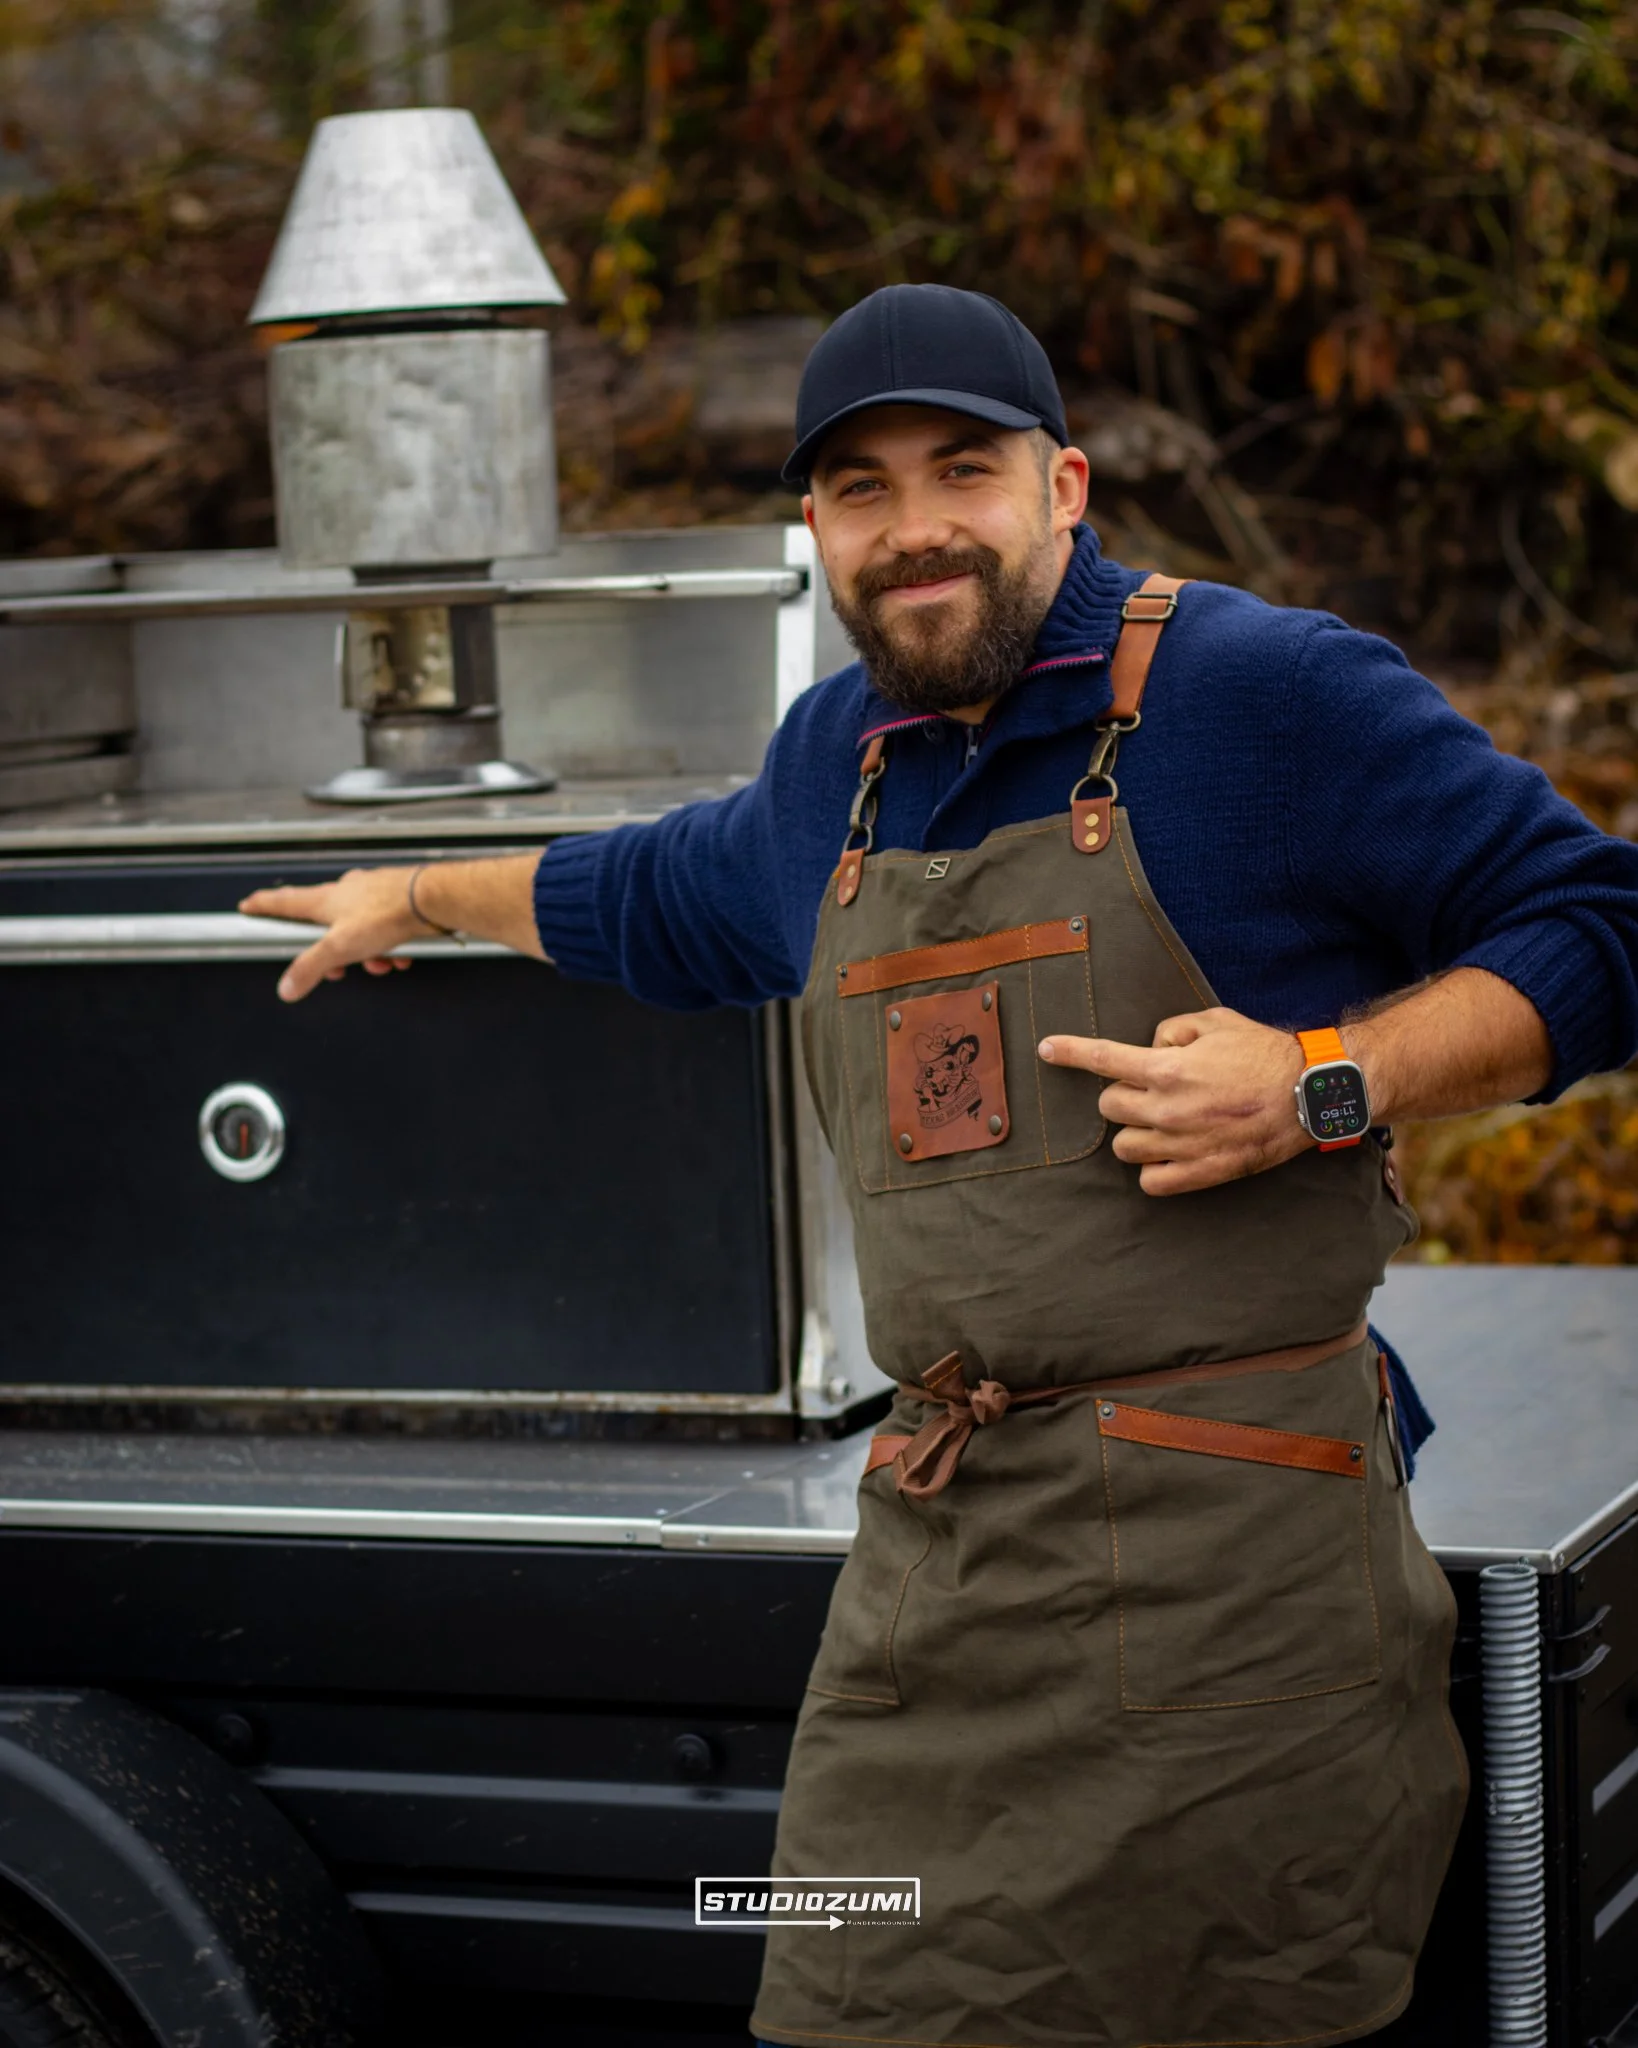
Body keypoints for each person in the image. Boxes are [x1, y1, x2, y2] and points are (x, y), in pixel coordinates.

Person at [242, 284, 1638, 2048]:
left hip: (1237, 1597)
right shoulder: (831, 766)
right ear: (817, 530)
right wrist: (418, 893)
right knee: (834, 1972)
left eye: (960, 470)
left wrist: (1323, 1080)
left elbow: (1598, 927)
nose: (914, 529)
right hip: (933, 1583)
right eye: (860, 489)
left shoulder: (1266, 695)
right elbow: (655, 894)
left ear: (1063, 485)